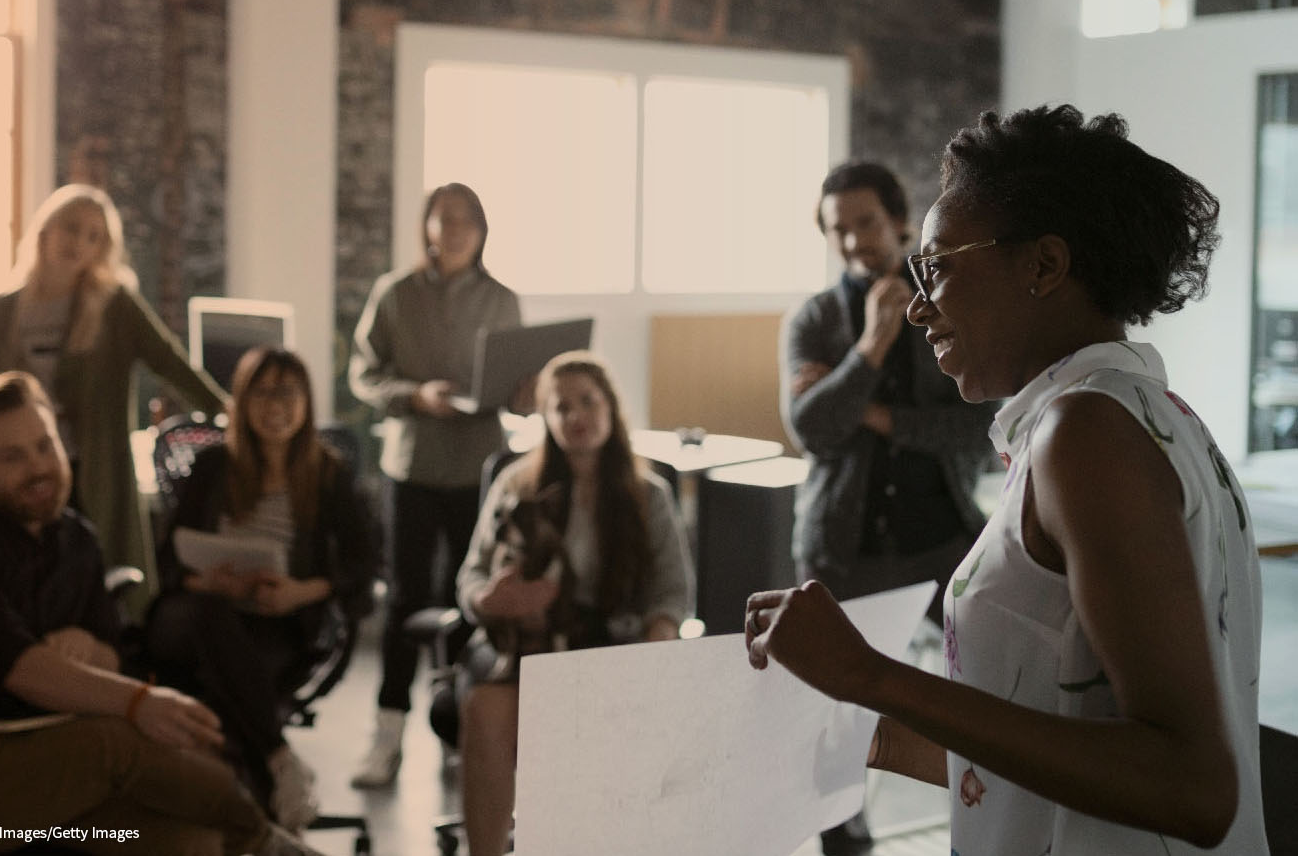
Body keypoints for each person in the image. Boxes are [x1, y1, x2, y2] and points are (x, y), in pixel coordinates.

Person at [746, 105, 1268, 854]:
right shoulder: (1148, 413)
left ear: (1044, 266)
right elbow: (1064, 743)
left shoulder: (1083, 435)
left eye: (938, 267)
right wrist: (872, 730)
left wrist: (875, 677)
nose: (921, 307)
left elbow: (1192, 787)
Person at [0, 371, 322, 856]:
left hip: (52, 788)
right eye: (12, 457)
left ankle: (252, 836)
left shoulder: (76, 538)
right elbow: (16, 665)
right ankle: (268, 840)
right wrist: (139, 703)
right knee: (115, 741)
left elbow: (114, 653)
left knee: (194, 844)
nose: (38, 467)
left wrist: (91, 654)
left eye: (45, 446)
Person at [780, 162, 995, 852]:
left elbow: (973, 427)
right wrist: (871, 342)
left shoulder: (946, 305)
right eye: (837, 230)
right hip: (845, 551)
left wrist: (866, 412)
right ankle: (848, 842)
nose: (851, 242)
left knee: (993, 692)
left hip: (945, 542)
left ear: (900, 220)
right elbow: (811, 429)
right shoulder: (814, 319)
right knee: (836, 724)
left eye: (865, 223)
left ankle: (998, 821)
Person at [455, 350, 694, 856]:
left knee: (594, 725)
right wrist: (489, 597)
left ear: (611, 407)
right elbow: (470, 577)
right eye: (561, 407)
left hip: (610, 648)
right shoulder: (514, 484)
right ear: (546, 417)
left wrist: (660, 632)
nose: (576, 416)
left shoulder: (648, 495)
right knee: (485, 710)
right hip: (523, 646)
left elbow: (673, 591)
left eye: (588, 402)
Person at [144, 348, 377, 831]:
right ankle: (278, 761)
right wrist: (208, 581)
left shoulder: (327, 473)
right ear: (243, 402)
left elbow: (365, 561)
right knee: (208, 618)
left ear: (307, 402)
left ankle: (240, 820)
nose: (275, 405)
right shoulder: (211, 467)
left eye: (288, 392)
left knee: (223, 684)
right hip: (196, 613)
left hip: (278, 620)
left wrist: (301, 592)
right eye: (263, 392)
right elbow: (166, 556)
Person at [0, 184, 228, 615]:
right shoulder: (0, 311)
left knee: (92, 581)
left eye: (95, 237)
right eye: (72, 229)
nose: (80, 243)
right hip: (18, 471)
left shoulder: (115, 307)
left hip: (89, 469)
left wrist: (228, 410)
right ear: (46, 230)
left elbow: (170, 361)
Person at [348, 181, 525, 787]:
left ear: (480, 232)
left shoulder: (502, 299)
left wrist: (522, 393)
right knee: (405, 600)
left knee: (471, 596)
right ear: (424, 226)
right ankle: (387, 735)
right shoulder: (393, 295)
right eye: (440, 219)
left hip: (480, 469)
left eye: (463, 221)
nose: (450, 231)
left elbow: (514, 382)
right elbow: (364, 376)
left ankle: (458, 727)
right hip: (413, 467)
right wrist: (415, 396)